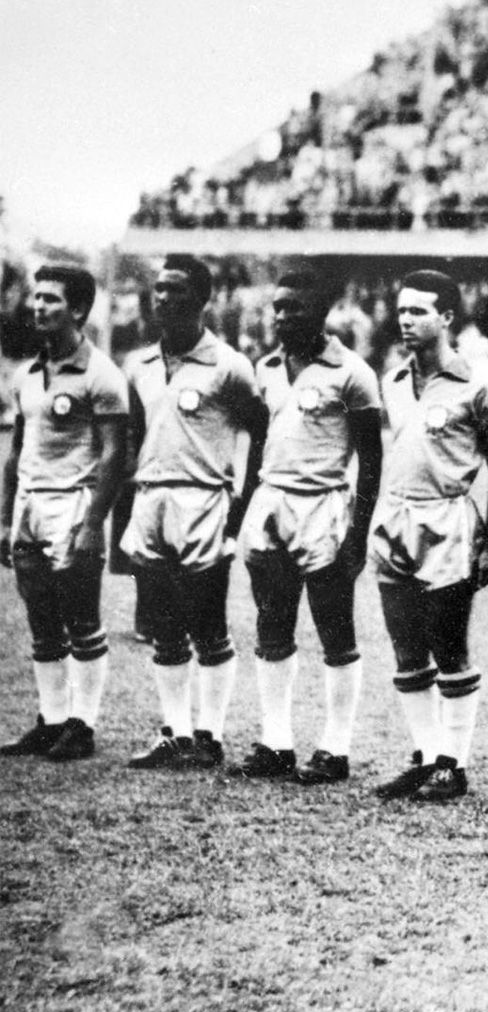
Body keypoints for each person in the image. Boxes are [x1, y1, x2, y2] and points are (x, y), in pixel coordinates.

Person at [227, 271, 383, 784]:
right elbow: (257, 448)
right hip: (272, 502)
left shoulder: (352, 372)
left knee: (335, 628)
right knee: (272, 624)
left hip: (324, 505)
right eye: (277, 307)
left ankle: (335, 749)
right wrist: (244, 509)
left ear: (320, 312)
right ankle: (276, 743)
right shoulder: (264, 369)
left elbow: (371, 460)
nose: (282, 316)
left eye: (294, 308)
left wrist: (358, 535)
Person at [365, 270, 488, 803]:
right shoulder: (393, 380)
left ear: (447, 317)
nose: (406, 320)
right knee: (406, 649)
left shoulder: (478, 384)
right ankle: (426, 757)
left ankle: (454, 763)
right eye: (402, 311)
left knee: (449, 646)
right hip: (396, 519)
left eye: (419, 311)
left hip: (449, 522)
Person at [121, 255, 268, 770]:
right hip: (151, 499)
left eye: (176, 290)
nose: (163, 298)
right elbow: (133, 438)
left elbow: (260, 428)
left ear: (202, 299)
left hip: (204, 499)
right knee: (162, 624)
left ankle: (209, 734)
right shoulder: (137, 365)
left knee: (208, 623)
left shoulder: (228, 365)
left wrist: (241, 503)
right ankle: (176, 733)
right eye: (159, 289)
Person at [0, 267, 129, 761]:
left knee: (82, 619)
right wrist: (7, 516)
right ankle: (51, 719)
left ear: (77, 309)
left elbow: (117, 455)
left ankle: (83, 724)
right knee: (41, 620)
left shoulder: (102, 374)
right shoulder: (27, 375)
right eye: (36, 297)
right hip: (31, 504)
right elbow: (16, 453)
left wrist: (94, 523)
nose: (38, 306)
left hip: (72, 506)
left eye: (50, 299)